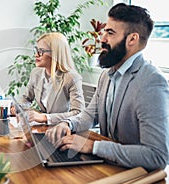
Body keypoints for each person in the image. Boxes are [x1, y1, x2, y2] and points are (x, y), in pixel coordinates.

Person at [45, 3, 169, 171]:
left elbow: (157, 155)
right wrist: (67, 124)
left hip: (135, 178)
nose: (102, 38)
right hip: (106, 167)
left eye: (110, 33)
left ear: (132, 39)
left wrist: (93, 147)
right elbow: (89, 115)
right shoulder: (107, 74)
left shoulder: (151, 82)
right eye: (104, 31)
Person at [11, 32, 85, 125]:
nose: (36, 55)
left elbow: (79, 113)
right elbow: (26, 98)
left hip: (63, 129)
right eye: (36, 50)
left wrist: (45, 117)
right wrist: (19, 108)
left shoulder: (71, 78)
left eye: (41, 51)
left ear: (55, 54)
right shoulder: (36, 73)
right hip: (43, 128)